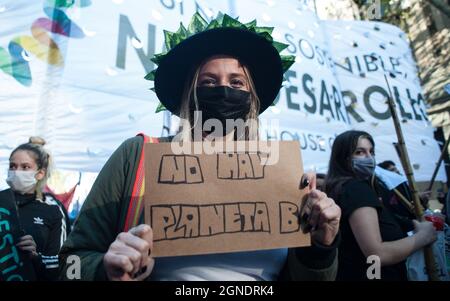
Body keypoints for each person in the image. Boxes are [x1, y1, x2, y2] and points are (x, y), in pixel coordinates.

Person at [58, 13, 341, 281]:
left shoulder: (282, 173)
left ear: (252, 98)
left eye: (236, 82)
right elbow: (71, 263)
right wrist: (105, 269)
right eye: (208, 81)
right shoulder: (137, 156)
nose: (223, 89)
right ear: (189, 95)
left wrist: (320, 246)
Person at [325, 130, 437, 280]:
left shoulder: (347, 188)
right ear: (343, 157)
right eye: (360, 152)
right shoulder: (356, 189)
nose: (369, 158)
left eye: (371, 151)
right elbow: (376, 254)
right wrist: (423, 237)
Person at [1, 137, 68, 280]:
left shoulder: (52, 211)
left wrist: (35, 256)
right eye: (12, 166)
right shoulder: (2, 200)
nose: (16, 171)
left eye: (25, 167)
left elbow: (61, 263)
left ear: (40, 173)